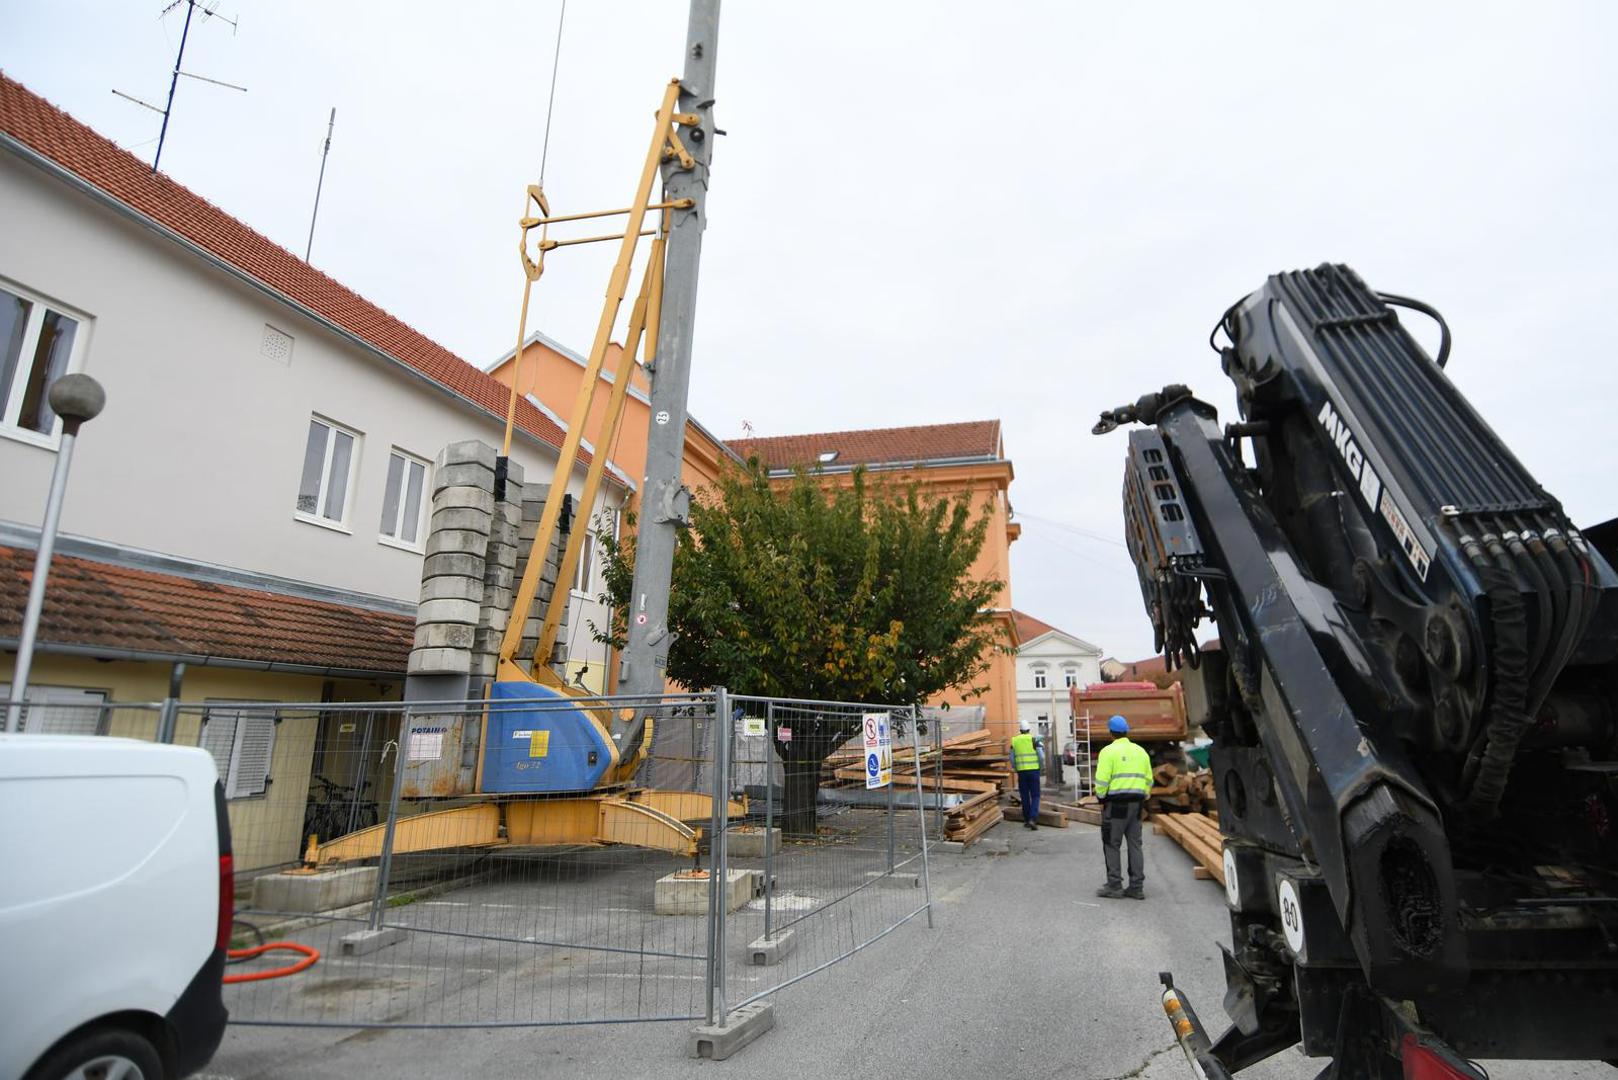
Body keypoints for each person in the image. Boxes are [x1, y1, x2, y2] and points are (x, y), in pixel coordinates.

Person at [1094, 714, 1151, 899]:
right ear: (1126, 731)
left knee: (1112, 843)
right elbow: (1148, 780)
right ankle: (1136, 887)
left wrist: (1101, 799)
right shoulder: (1141, 751)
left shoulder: (1108, 752)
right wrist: (1144, 798)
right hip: (1137, 804)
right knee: (1135, 844)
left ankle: (1114, 885)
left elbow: (1102, 781)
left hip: (1116, 805)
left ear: (1111, 733)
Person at [1010, 720, 1043, 829]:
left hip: (1021, 772)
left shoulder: (1014, 741)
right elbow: (1041, 756)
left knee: (1024, 795)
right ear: (1029, 730)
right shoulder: (1034, 740)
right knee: (1035, 795)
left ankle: (1026, 819)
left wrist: (1016, 767)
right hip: (1034, 771)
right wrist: (1040, 766)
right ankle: (1033, 818)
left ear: (1020, 730)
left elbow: (1011, 758)